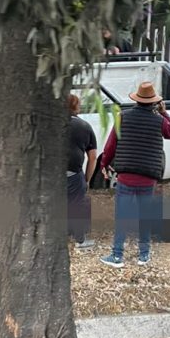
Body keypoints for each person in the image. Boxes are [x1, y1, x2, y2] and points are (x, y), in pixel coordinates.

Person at [99, 82, 170, 268]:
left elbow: (111, 146)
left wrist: (104, 164)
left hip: (126, 176)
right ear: (154, 103)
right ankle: (143, 256)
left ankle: (117, 256)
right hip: (148, 177)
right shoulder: (160, 121)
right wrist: (164, 113)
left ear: (135, 99)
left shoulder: (123, 117)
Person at [67, 94, 97, 249]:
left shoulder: (50, 125)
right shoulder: (84, 126)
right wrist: (87, 179)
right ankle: (80, 240)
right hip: (74, 173)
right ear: (75, 106)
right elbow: (92, 157)